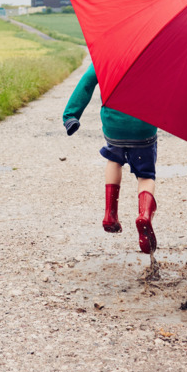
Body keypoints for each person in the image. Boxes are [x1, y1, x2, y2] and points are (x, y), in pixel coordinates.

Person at [63, 62, 158, 254]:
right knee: (146, 175)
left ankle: (110, 214)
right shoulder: (152, 54)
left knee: (114, 160)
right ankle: (145, 215)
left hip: (114, 125)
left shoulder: (105, 54)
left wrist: (71, 115)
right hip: (143, 126)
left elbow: (87, 83)